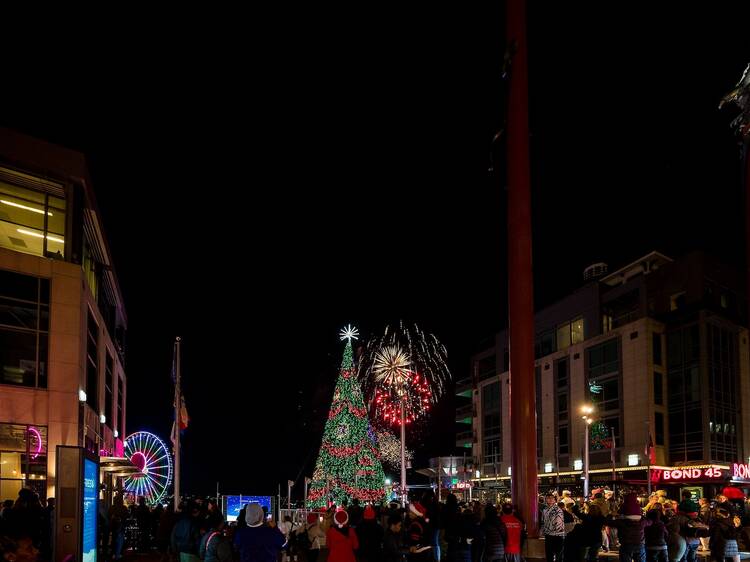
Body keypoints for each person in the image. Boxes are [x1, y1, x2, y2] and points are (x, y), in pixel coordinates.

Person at [607, 492, 650, 562]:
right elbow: (650, 522)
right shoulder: (642, 521)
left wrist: (611, 515)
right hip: (640, 543)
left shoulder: (622, 521)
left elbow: (609, 522)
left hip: (626, 544)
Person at [541, 493, 565, 562]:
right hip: (548, 535)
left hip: (558, 534)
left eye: (552, 498)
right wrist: (542, 530)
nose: (550, 499)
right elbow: (543, 521)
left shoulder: (558, 510)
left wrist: (547, 529)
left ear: (555, 500)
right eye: (548, 498)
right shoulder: (544, 510)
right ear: (545, 500)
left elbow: (558, 523)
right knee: (549, 554)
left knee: (558, 555)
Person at [109, 493, 129, 561]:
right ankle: (118, 554)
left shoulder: (112, 508)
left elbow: (109, 516)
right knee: (120, 540)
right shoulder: (123, 508)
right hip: (121, 526)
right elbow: (127, 516)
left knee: (114, 540)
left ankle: (114, 554)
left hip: (114, 527)